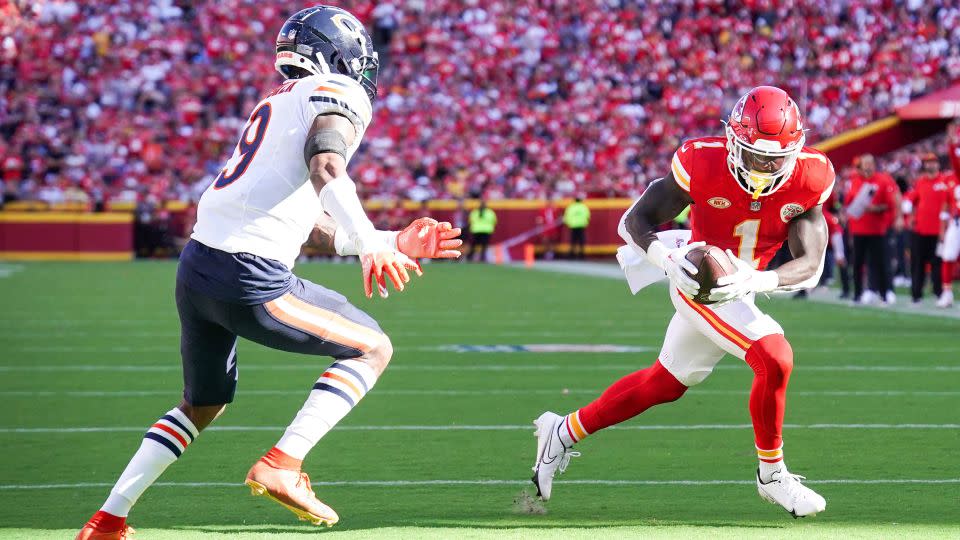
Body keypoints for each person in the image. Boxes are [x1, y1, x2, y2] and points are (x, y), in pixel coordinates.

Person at [76, 7, 462, 539]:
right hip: (246, 275)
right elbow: (326, 165)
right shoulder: (337, 94)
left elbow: (304, 225)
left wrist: (391, 240)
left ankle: (108, 518)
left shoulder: (277, 102)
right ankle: (284, 462)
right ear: (336, 54)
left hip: (198, 268)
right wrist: (373, 242)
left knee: (203, 401)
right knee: (372, 347)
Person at [532, 87, 832, 518]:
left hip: (741, 284)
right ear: (732, 140)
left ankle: (562, 430)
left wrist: (758, 278)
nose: (765, 167)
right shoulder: (701, 160)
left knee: (665, 384)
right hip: (697, 279)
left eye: (775, 159)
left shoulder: (812, 175)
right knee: (774, 355)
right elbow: (634, 219)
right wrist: (667, 260)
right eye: (755, 155)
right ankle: (772, 475)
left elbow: (812, 263)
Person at [845, 154, 898, 305]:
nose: (867, 167)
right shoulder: (855, 181)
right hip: (858, 228)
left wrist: (875, 208)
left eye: (869, 163)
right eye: (864, 164)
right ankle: (857, 295)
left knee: (880, 262)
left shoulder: (883, 180)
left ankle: (884, 294)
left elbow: (890, 204)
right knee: (857, 263)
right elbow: (848, 202)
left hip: (877, 229)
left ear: (874, 165)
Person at [903, 154, 951, 305]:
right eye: (928, 163)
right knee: (917, 264)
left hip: (939, 232)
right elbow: (908, 202)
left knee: (938, 264)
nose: (930, 165)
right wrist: (910, 216)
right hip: (920, 230)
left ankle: (939, 293)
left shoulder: (945, 181)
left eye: (933, 162)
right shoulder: (920, 182)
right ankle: (916, 295)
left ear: (938, 164)